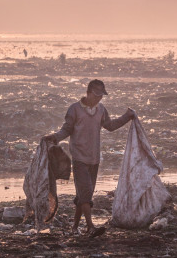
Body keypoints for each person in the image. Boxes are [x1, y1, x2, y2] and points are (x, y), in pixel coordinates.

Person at [43, 79, 135, 237]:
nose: (99, 98)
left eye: (101, 95)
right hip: (79, 157)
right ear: (88, 92)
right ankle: (90, 227)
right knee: (85, 193)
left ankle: (74, 228)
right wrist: (55, 137)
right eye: (97, 94)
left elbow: (110, 126)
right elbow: (66, 129)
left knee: (84, 195)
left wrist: (127, 116)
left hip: (94, 158)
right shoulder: (75, 109)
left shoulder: (101, 110)